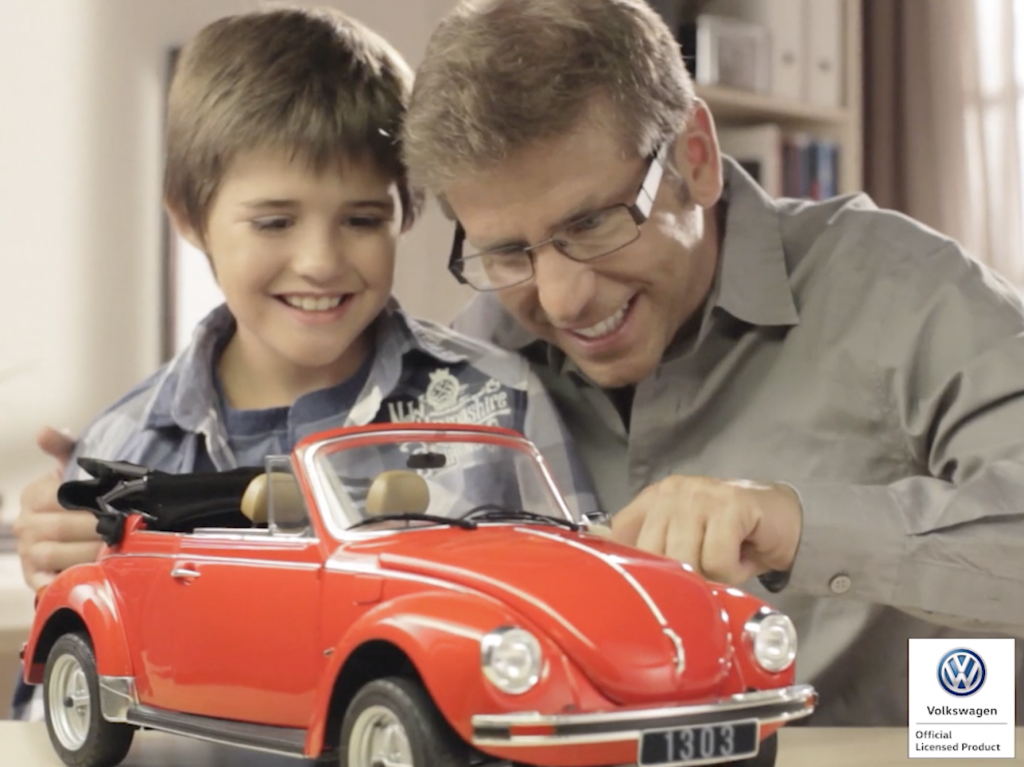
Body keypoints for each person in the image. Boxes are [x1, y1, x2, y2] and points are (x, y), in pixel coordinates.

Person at [400, 0, 1024, 725]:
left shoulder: (906, 289)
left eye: (593, 222)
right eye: (509, 252)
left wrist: (790, 522)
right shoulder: (473, 366)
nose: (561, 298)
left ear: (693, 157)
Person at [10, 5, 593, 721]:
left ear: (406, 214)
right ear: (190, 219)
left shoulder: (500, 403)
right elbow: (59, 710)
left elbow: (578, 619)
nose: (320, 262)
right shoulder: (119, 450)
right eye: (275, 221)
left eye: (361, 219)